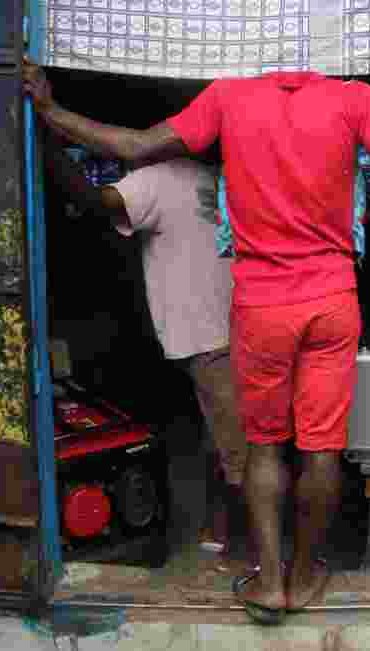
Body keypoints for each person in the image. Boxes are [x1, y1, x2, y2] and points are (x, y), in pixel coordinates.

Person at [24, 8, 370, 624]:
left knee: (265, 449)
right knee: (322, 451)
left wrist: (51, 112)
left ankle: (270, 584)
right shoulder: (353, 100)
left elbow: (134, 145)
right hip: (332, 304)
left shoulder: (228, 99)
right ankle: (304, 576)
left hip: (261, 307)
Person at [43, 134, 251, 569]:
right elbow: (96, 202)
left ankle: (230, 539)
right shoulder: (182, 178)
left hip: (222, 332)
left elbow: (92, 200)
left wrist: (48, 142)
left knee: (231, 445)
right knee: (235, 446)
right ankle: (235, 542)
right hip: (220, 331)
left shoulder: (187, 178)